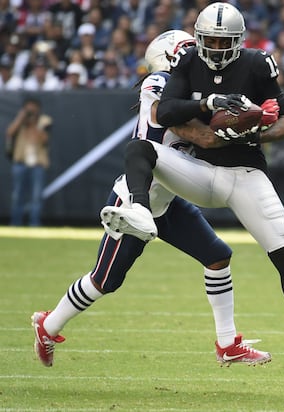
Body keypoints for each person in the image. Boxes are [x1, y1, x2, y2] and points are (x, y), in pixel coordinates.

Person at [107, 3, 284, 380]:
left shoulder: (256, 64)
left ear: (239, 42)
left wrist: (256, 130)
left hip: (245, 172)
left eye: (225, 42)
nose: (217, 48)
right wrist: (208, 102)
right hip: (201, 172)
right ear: (198, 38)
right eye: (211, 40)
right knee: (139, 149)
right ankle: (140, 211)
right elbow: (165, 112)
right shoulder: (188, 62)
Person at [31, 30, 271, 368]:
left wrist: (255, 115)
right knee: (104, 280)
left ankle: (228, 343)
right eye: (190, 52)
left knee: (218, 256)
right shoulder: (158, 83)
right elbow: (188, 123)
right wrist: (227, 114)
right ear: (171, 58)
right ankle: (49, 324)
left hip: (168, 200)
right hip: (135, 202)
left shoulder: (194, 87)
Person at [6, 97, 52, 226]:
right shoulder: (20, 121)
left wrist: (34, 123)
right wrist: (21, 118)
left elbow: (44, 140)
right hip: (20, 162)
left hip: (38, 164)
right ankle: (15, 224)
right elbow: (9, 133)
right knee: (17, 195)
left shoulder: (44, 121)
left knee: (36, 196)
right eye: (28, 109)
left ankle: (34, 223)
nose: (31, 112)